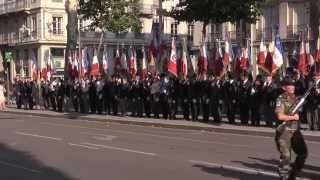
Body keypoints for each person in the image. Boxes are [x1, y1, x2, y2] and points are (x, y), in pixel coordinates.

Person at [275, 77, 308, 180]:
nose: (292, 87)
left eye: (293, 85)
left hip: (295, 130)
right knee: (286, 157)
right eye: (290, 85)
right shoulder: (281, 99)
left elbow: (306, 97)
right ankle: (284, 177)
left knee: (303, 153)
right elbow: (280, 116)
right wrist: (293, 117)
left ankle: (293, 174)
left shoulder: (297, 98)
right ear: (284, 87)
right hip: (284, 131)